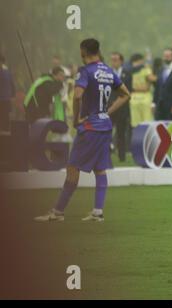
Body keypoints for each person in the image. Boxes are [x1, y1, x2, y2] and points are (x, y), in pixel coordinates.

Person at [34, 38, 130, 222]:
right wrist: (106, 112)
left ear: (83, 51)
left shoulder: (85, 71)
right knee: (100, 169)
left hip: (90, 127)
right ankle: (97, 212)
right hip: (105, 126)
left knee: (72, 168)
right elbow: (126, 94)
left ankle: (58, 212)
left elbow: (77, 96)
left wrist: (77, 119)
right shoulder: (109, 71)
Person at [109, 52, 132, 162]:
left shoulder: (127, 73)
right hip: (109, 107)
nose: (114, 62)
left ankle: (121, 157)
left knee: (121, 133)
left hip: (122, 108)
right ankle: (107, 154)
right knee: (107, 132)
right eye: (112, 59)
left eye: (116, 59)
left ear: (121, 61)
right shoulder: (107, 74)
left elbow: (129, 91)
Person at [129, 53, 153, 127]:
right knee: (147, 123)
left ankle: (137, 138)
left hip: (133, 98)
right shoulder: (146, 69)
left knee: (136, 124)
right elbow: (151, 79)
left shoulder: (128, 71)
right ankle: (146, 138)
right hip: (145, 98)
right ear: (140, 60)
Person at [0, 53, 15, 132]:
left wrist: (12, 95)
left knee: (5, 117)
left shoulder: (7, 72)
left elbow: (12, 84)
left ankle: (5, 132)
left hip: (5, 99)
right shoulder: (7, 72)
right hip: (5, 98)